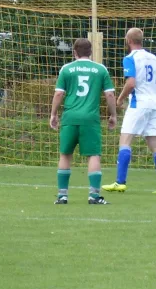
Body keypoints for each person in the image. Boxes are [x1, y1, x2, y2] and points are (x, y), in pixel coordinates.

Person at [102, 28, 156, 194]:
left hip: (138, 103)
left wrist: (119, 99)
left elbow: (131, 83)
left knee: (125, 140)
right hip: (154, 104)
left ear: (128, 41)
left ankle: (120, 182)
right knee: (155, 145)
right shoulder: (153, 58)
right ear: (142, 40)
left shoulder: (130, 58)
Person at [50, 38, 117, 204]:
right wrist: (113, 115)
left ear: (74, 52)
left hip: (70, 117)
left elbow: (59, 94)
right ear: (91, 52)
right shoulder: (100, 69)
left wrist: (53, 114)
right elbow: (109, 94)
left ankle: (62, 196)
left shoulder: (66, 69)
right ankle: (94, 196)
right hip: (90, 119)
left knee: (65, 154)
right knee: (93, 155)